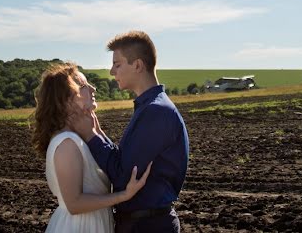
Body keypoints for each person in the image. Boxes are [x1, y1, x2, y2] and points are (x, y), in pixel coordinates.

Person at [73, 31, 190, 233]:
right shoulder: (151, 107)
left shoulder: (156, 111)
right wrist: (99, 134)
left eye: (117, 64)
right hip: (143, 222)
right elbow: (126, 161)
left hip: (147, 226)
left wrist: (91, 136)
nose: (111, 72)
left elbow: (123, 176)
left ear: (137, 65)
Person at [32, 62, 152, 233]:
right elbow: (74, 204)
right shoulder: (67, 143)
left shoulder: (80, 136)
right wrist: (123, 196)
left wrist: (97, 132)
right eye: (83, 86)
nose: (93, 88)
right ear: (65, 99)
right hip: (79, 227)